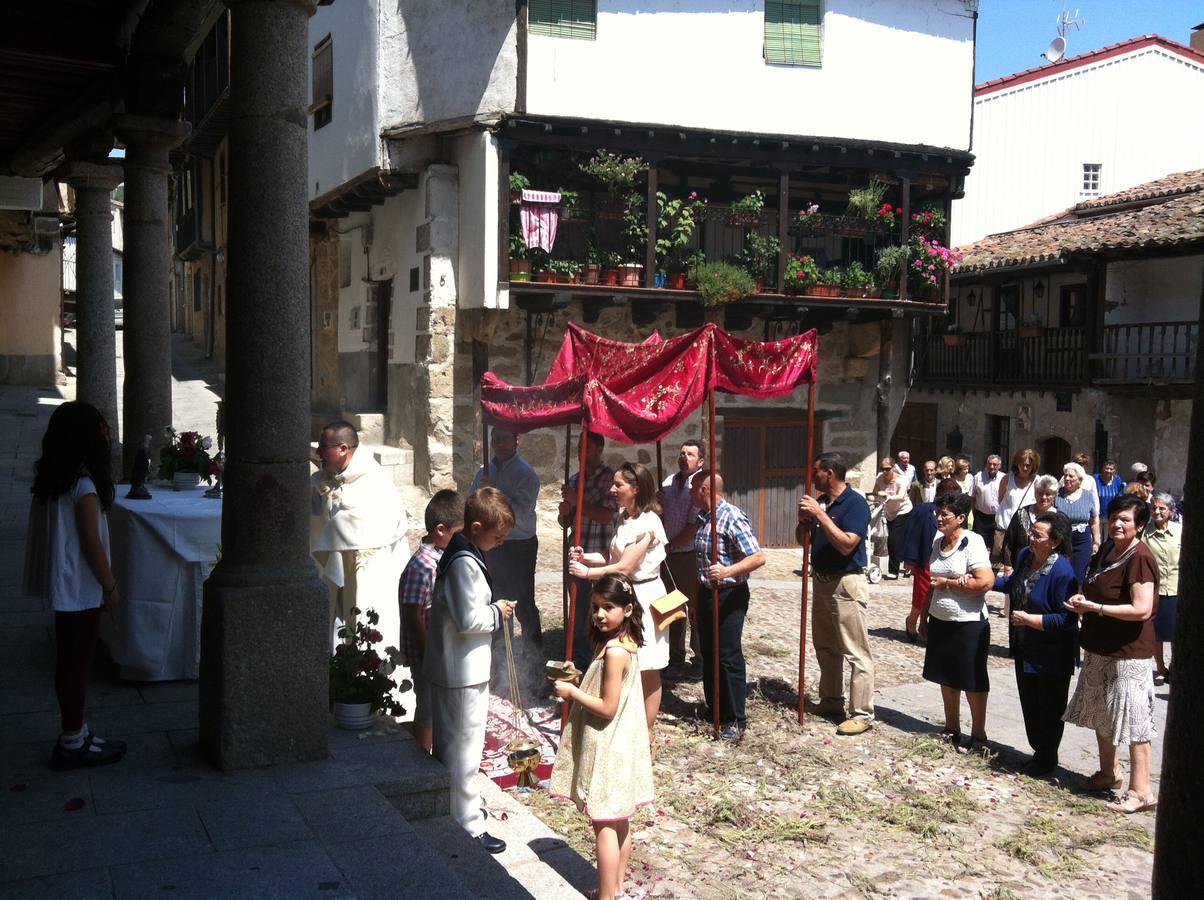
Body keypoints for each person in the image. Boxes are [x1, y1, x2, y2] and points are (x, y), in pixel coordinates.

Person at [23, 401, 127, 771]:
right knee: (76, 663)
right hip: (80, 587)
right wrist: (111, 586)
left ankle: (77, 733)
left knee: (71, 660)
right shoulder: (82, 486)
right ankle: (71, 740)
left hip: (65, 585)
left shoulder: (54, 479)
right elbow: (91, 542)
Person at [549, 574, 654, 900]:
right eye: (595, 607)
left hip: (608, 746)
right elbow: (609, 688)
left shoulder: (615, 652)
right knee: (620, 821)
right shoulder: (625, 644)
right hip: (623, 745)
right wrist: (578, 676)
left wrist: (570, 692)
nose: (599, 614)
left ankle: (606, 896)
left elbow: (607, 707)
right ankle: (617, 888)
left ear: (628, 609)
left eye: (608, 607)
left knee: (605, 826)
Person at [423, 487, 516, 854]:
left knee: (455, 745)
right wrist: (498, 611)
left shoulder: (465, 551)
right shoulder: (463, 562)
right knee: (464, 749)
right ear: (476, 527)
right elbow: (466, 619)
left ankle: (453, 809)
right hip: (461, 670)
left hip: (458, 666)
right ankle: (467, 823)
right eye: (497, 537)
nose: (500, 543)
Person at [1063, 495, 1160, 814]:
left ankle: (1141, 790)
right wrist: (1083, 601)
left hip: (1129, 653)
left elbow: (1142, 609)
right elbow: (1095, 586)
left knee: (1135, 721)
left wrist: (1098, 608)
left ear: (1140, 526)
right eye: (1114, 517)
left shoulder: (1140, 557)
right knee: (1102, 712)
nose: (1117, 524)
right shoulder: (1106, 549)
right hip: (1099, 646)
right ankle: (1109, 772)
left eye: (1126, 520)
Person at [570, 462, 669, 738]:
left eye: (618, 485)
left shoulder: (649, 523)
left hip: (645, 598)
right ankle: (626, 719)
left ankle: (646, 732)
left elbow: (625, 566)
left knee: (647, 666)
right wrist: (585, 556)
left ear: (635, 489)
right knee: (622, 659)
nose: (612, 489)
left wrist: (589, 573)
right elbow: (612, 555)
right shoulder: (624, 517)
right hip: (624, 595)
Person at [311, 420, 411, 655]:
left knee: (363, 624)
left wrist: (334, 539)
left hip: (368, 570)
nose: (318, 453)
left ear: (343, 449)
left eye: (323, 447)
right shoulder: (326, 476)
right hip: (334, 570)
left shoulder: (375, 482)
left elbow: (372, 526)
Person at [994, 512, 1079, 776]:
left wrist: (1031, 620)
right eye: (1031, 532)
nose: (1031, 538)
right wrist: (985, 579)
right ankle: (1037, 751)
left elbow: (1066, 619)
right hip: (1025, 646)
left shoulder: (1063, 573)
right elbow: (1012, 583)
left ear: (1054, 542)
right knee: (1030, 704)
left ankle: (1045, 759)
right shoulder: (1025, 557)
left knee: (1050, 709)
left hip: (1052, 653)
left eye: (1037, 535)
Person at [797, 452, 875, 736]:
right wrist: (805, 522)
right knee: (826, 646)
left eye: (816, 470)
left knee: (855, 650)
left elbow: (846, 544)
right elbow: (803, 541)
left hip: (847, 583)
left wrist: (820, 516)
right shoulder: (822, 503)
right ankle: (831, 700)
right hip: (822, 580)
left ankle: (862, 713)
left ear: (829, 473)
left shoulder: (855, 504)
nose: (813, 475)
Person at [691, 470, 766, 741]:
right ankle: (716, 709)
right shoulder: (704, 518)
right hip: (707, 592)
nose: (689, 494)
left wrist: (727, 571)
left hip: (729, 593)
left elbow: (758, 556)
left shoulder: (731, 516)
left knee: (728, 655)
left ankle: (736, 717)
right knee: (709, 652)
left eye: (693, 489)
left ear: (705, 489)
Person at [918, 492, 995, 751]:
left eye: (945, 515)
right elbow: (931, 581)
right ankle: (952, 728)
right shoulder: (937, 541)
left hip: (968, 622)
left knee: (972, 679)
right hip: (941, 619)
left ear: (961, 518)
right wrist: (924, 615)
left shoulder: (972, 542)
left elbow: (985, 582)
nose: (939, 518)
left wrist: (950, 584)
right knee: (946, 676)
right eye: (937, 513)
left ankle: (979, 735)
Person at [399, 489, 464, 753]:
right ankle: (421, 758)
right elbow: (413, 613)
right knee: (427, 709)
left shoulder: (438, 557)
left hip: (439, 652)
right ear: (440, 529)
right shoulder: (422, 566)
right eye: (458, 533)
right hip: (426, 655)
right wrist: (429, 655)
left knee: (439, 707)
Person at [470, 428, 541, 648]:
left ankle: (534, 653)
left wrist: (494, 490)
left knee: (523, 602)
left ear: (516, 440)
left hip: (518, 545)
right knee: (497, 597)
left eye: (504, 438)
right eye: (496, 439)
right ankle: (502, 651)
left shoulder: (526, 474)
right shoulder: (484, 472)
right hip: (492, 545)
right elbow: (472, 502)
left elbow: (520, 512)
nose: (499, 443)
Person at [559, 432, 618, 674]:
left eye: (588, 447)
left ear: (599, 449)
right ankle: (581, 661)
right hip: (577, 553)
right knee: (580, 605)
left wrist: (578, 500)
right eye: (580, 446)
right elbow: (566, 522)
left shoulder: (610, 479)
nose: (582, 452)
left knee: (603, 607)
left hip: (601, 553)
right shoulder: (574, 479)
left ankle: (605, 658)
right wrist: (565, 512)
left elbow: (607, 515)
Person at [659, 440, 705, 673]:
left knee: (694, 606)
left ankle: (699, 656)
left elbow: (694, 525)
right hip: (668, 555)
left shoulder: (697, 487)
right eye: (681, 453)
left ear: (700, 461)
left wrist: (671, 545)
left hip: (687, 554)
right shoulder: (668, 482)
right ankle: (674, 654)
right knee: (671, 605)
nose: (684, 457)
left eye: (690, 454)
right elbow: (660, 512)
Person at [902, 478, 964, 641]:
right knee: (922, 595)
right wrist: (909, 559)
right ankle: (912, 621)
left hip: (948, 557)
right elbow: (912, 535)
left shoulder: (957, 513)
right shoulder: (922, 510)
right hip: (926, 559)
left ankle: (933, 627)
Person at [1142, 492, 1180, 685]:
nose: (1157, 511)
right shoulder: (1144, 532)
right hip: (1155, 590)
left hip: (1176, 588)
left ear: (1171, 511)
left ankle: (1176, 666)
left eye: (1162, 508)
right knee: (1157, 632)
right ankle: (1160, 668)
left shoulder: (1181, 531)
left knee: (1176, 632)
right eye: (1154, 508)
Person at [1002, 475, 1059, 568]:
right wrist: (1008, 566)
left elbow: (1065, 548)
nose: (1044, 497)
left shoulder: (1059, 518)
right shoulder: (1021, 513)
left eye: (1048, 494)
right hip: (1020, 567)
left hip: (1048, 569)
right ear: (1035, 494)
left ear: (1054, 496)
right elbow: (1009, 541)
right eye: (1040, 493)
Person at [1056, 462, 1100, 582]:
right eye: (1065, 475)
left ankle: (1076, 598)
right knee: (1061, 572)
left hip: (1082, 540)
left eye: (1071, 476)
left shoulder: (1087, 495)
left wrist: (1096, 541)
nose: (1067, 478)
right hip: (1061, 540)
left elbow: (1094, 520)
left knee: (1079, 574)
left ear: (1079, 479)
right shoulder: (1056, 494)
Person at [873, 456, 912, 580]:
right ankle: (905, 565)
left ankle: (893, 571)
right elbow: (874, 494)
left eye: (887, 469)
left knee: (894, 540)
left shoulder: (902, 480)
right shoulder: (879, 478)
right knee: (896, 541)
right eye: (882, 469)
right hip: (889, 512)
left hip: (903, 510)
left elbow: (901, 496)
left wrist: (887, 496)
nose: (885, 472)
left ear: (893, 468)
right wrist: (872, 497)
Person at [996, 447, 1040, 537]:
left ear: (1033, 466)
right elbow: (1000, 499)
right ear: (1017, 464)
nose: (1024, 468)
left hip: (1027, 532)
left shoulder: (1038, 481)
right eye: (1022, 464)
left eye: (1028, 465)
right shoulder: (1007, 479)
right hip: (1005, 529)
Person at [970, 454, 1004, 554]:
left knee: (996, 546)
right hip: (981, 518)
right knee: (979, 546)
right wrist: (974, 514)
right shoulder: (978, 477)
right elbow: (972, 497)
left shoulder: (1004, 478)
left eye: (995, 464)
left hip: (997, 518)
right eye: (990, 464)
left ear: (999, 465)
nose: (992, 467)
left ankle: (993, 567)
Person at [1073, 452, 1100, 518]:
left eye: (1081, 464)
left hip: (1085, 515)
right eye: (1077, 463)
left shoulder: (1090, 480)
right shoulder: (1065, 478)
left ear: (1086, 465)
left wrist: (1096, 513)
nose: (1079, 466)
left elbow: (1095, 498)